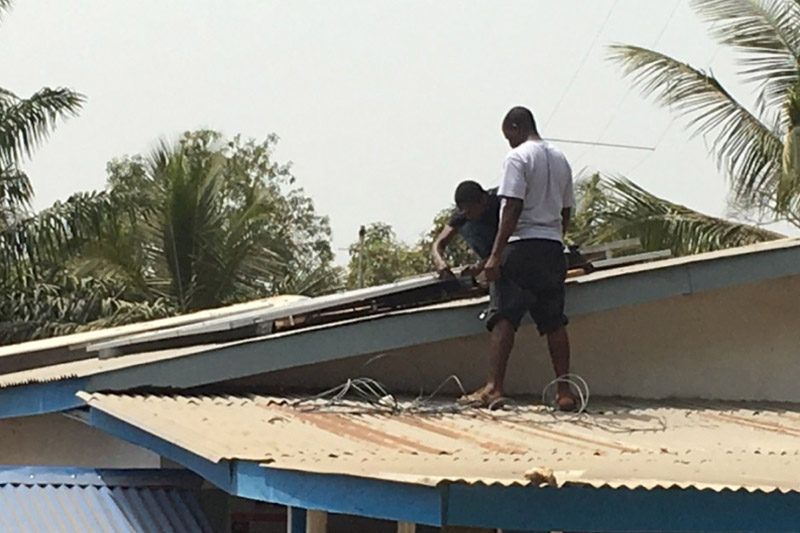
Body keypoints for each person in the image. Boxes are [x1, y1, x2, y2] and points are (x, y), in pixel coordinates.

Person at [462, 106, 577, 411]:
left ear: (516, 127)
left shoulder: (519, 157)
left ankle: (494, 387)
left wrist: (495, 255)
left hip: (522, 246)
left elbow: (511, 206)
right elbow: (567, 209)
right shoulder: (561, 158)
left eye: (509, 136)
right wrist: (556, 236)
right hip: (552, 248)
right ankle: (564, 391)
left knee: (504, 317)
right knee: (554, 321)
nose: (509, 143)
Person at [431, 181, 500, 279]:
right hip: (489, 253)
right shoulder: (463, 215)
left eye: (470, 211)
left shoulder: (502, 201)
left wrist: (482, 266)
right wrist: (439, 262)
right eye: (465, 213)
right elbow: (438, 244)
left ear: (483, 200)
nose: (468, 216)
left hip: (517, 241)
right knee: (465, 225)